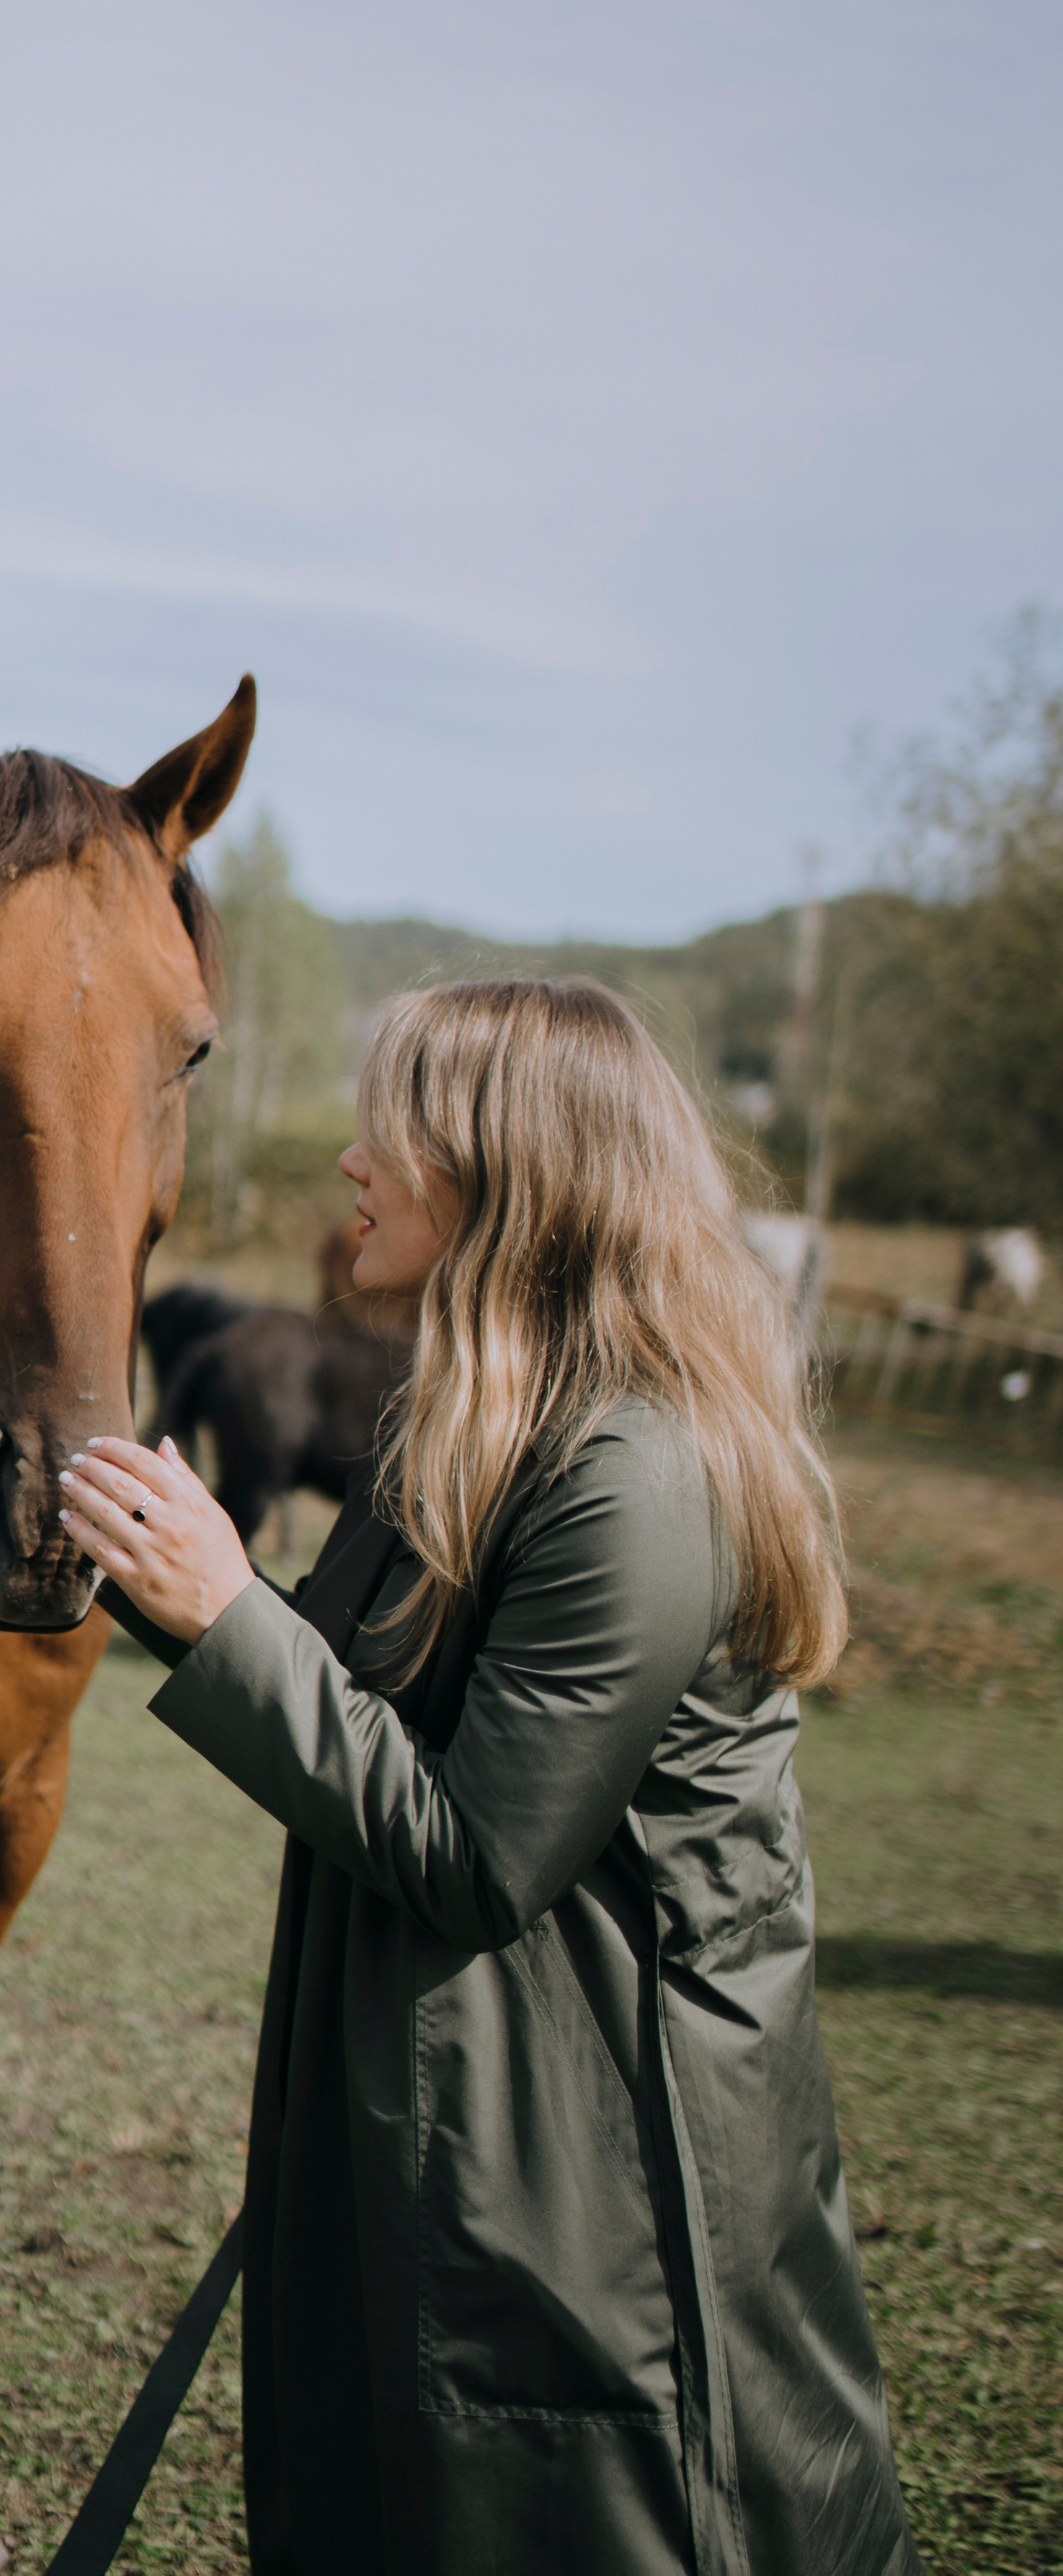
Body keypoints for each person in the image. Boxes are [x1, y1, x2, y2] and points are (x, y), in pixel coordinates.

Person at [59, 980, 922, 2576]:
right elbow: (319, 1681)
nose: (346, 1160)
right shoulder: (465, 1427)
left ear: (499, 1166)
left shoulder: (633, 1471)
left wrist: (218, 1605)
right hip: (456, 2127)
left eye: (387, 1124)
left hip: (594, 2177)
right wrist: (123, 1549)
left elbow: (475, 1850)